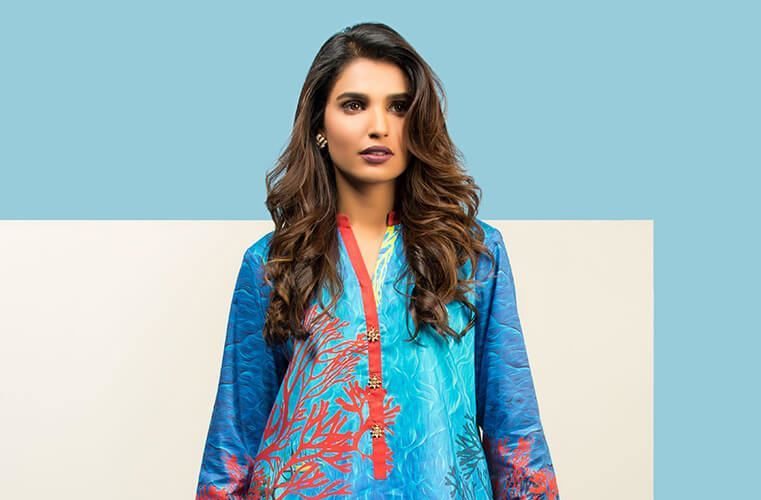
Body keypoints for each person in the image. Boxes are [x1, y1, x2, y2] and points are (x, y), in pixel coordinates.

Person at [195, 22, 559, 500]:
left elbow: (515, 429)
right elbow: (235, 437)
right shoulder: (272, 262)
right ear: (319, 125)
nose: (379, 126)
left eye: (399, 106)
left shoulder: (471, 254)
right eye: (354, 105)